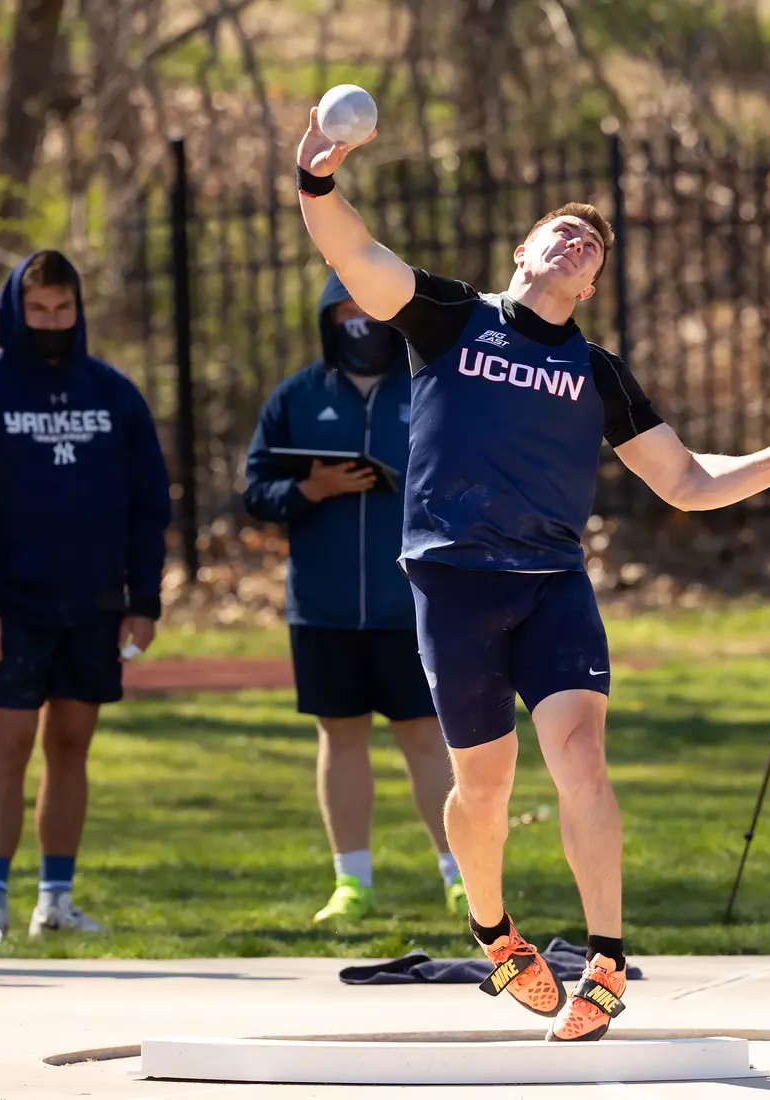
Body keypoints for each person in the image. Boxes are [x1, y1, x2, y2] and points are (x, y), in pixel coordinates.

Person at [293, 109, 770, 1042]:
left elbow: (687, 481)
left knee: (580, 757)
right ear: (525, 252)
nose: (580, 242)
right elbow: (358, 259)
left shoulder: (598, 372)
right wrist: (318, 180)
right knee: (485, 788)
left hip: (549, 582)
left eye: (593, 248)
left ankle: (608, 959)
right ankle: (495, 930)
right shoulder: (451, 317)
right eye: (564, 231)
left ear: (588, 287)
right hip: (453, 582)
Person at [0, 250, 171, 948]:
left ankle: (55, 899)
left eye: (62, 310)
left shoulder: (113, 392)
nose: (51, 322)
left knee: (72, 746)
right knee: (7, 749)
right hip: (7, 611)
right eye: (38, 310)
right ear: (15, 308)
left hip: (93, 606)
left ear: (78, 309)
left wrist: (143, 600)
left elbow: (146, 506)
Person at [244, 271, 463, 925]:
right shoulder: (296, 397)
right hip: (323, 606)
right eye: (346, 315)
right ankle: (352, 883)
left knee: (426, 738)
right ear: (328, 323)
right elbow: (256, 490)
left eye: (370, 312)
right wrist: (311, 492)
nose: (360, 326)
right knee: (340, 738)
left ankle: (460, 877)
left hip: (411, 603)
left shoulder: (431, 388)